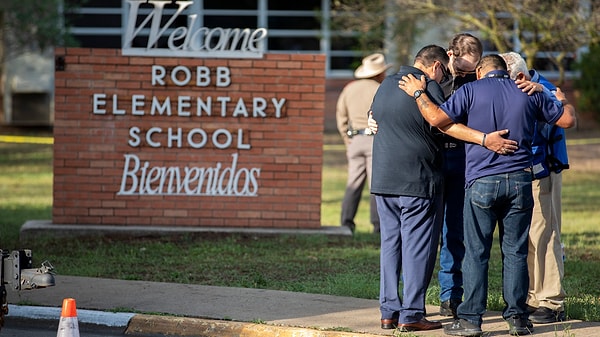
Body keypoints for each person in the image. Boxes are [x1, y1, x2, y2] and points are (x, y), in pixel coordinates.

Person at [398, 54, 576, 336]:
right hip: (520, 181)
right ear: (506, 72)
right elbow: (567, 121)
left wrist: (418, 92)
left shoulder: (470, 90)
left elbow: (435, 118)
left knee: (476, 252)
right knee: (515, 252)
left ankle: (470, 320)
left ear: (480, 72)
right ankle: (518, 319)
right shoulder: (527, 90)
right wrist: (559, 97)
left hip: (481, 182)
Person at [370, 45, 514, 333]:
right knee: (417, 248)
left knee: (390, 246)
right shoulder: (427, 88)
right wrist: (485, 139)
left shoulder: (383, 86)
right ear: (435, 66)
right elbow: (445, 123)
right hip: (417, 180)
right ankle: (411, 314)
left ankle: (388, 312)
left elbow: (376, 118)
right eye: (442, 71)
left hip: (383, 180)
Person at [501, 52, 570, 324]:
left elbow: (564, 116)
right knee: (529, 237)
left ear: (519, 77)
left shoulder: (544, 89)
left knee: (546, 234)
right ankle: (532, 296)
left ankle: (552, 301)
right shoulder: (525, 86)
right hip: (522, 172)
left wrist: (545, 93)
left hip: (543, 172)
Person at [336, 53, 391, 233]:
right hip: (376, 141)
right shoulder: (381, 89)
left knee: (353, 183)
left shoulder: (349, 89)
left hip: (355, 141)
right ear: (378, 73)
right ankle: (377, 225)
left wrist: (348, 141)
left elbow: (341, 118)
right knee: (376, 185)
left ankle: (346, 222)